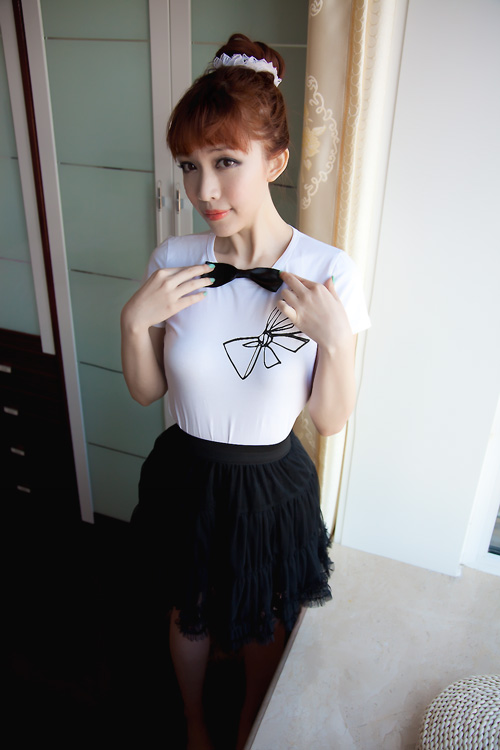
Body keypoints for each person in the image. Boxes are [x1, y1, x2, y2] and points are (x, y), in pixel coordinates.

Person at [121, 33, 370, 750]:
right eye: (189, 165)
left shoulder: (329, 271)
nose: (203, 190)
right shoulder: (174, 260)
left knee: (266, 619)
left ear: (275, 161)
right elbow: (146, 392)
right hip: (186, 472)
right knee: (189, 612)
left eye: (225, 162)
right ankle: (195, 722)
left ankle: (246, 727)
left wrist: (337, 340)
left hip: (270, 481)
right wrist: (133, 322)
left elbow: (329, 418)